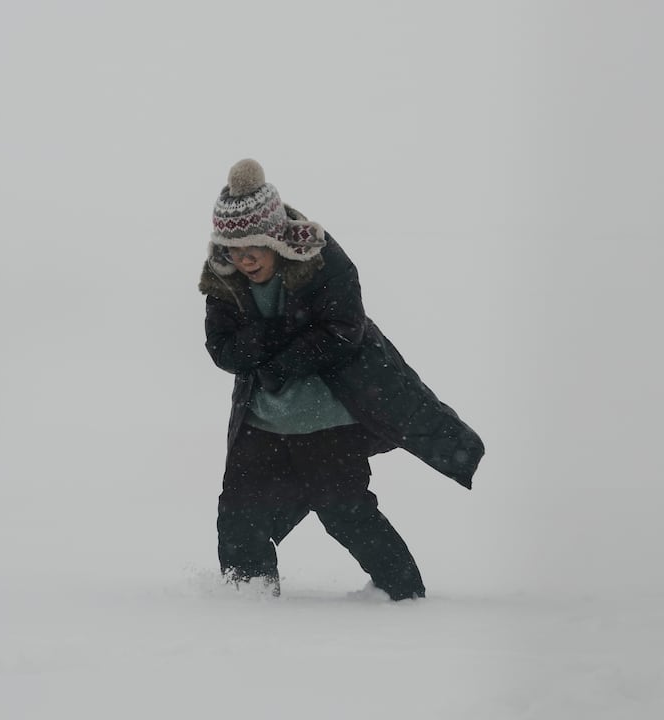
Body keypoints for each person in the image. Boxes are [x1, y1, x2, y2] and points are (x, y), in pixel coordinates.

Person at [199, 158, 485, 601]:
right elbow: (222, 349)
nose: (245, 257)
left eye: (253, 244)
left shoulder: (323, 260)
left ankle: (404, 596)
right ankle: (246, 600)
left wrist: (276, 361)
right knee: (240, 514)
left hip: (329, 418)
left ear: (275, 235)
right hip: (260, 421)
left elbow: (343, 333)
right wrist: (277, 336)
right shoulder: (223, 278)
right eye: (234, 247)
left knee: (345, 511)